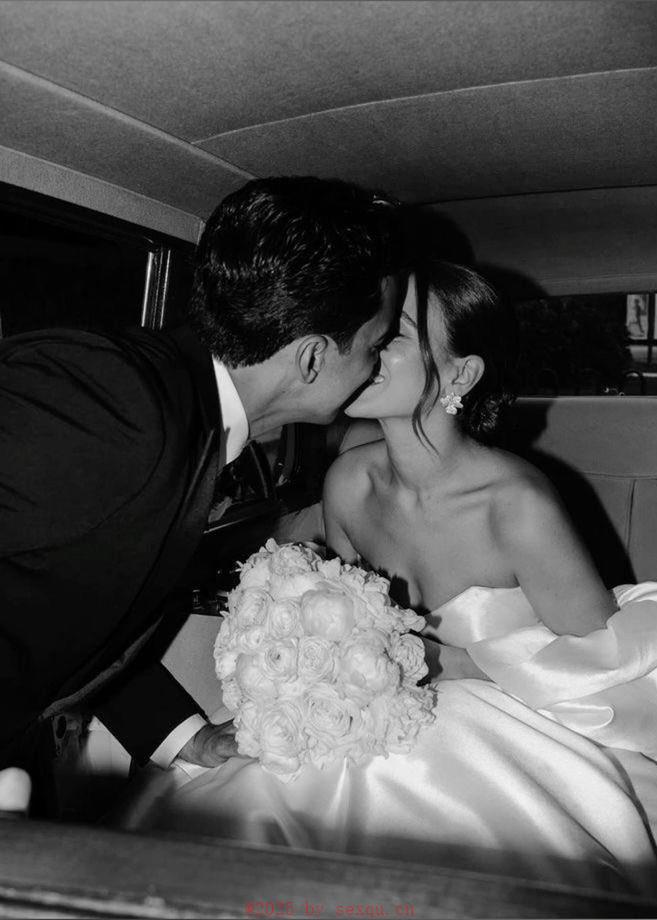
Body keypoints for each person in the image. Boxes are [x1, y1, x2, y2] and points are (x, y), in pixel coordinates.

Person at [114, 262, 657, 897]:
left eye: (392, 333)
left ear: (460, 374)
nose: (362, 342)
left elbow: (606, 665)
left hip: (501, 728)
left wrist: (447, 663)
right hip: (367, 718)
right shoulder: (351, 482)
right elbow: (343, 616)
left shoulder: (517, 506)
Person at [0, 176, 405, 807]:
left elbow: (73, 598)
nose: (377, 366)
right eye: (375, 347)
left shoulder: (185, 417)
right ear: (312, 358)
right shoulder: (114, 402)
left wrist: (185, 736)